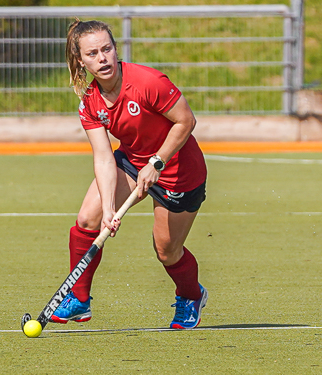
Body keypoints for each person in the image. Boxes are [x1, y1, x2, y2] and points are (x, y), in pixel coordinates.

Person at [53, 19, 209, 329]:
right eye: (93, 53)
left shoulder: (148, 82)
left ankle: (191, 295)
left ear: (115, 50)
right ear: (81, 61)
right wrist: (109, 209)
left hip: (179, 170)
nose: (102, 58)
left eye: (107, 49)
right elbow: (103, 157)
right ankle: (80, 300)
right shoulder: (90, 103)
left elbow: (186, 121)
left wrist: (157, 163)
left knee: (166, 251)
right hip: (133, 161)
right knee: (88, 219)